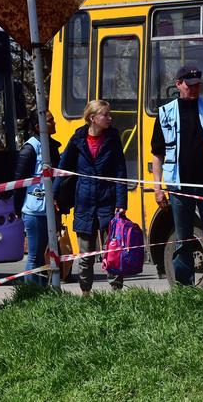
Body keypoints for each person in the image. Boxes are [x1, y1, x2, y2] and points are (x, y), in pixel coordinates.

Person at [151, 65, 203, 290]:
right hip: (178, 186)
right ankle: (184, 291)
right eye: (189, 85)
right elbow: (157, 154)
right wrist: (158, 187)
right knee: (183, 239)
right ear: (178, 84)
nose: (194, 89)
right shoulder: (165, 113)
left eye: (197, 85)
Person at [54, 100, 127, 295]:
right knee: (86, 256)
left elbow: (120, 171)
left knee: (112, 251)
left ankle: (116, 292)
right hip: (84, 204)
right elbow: (63, 168)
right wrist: (53, 194)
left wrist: (121, 203)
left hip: (107, 203)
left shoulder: (113, 138)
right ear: (92, 118)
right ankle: (86, 293)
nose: (110, 118)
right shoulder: (77, 139)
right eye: (106, 114)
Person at [13, 110, 61, 286]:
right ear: (37, 126)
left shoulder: (51, 146)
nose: (54, 123)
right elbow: (19, 182)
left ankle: (41, 293)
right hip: (33, 210)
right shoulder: (30, 148)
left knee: (43, 255)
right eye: (50, 121)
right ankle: (30, 293)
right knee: (34, 256)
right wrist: (16, 208)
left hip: (48, 209)